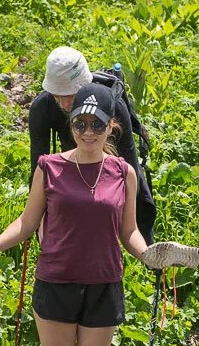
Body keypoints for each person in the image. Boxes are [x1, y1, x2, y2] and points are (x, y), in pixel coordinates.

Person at [0, 82, 151, 346]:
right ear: (71, 123)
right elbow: (27, 224)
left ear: (111, 126)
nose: (88, 131)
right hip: (56, 282)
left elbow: (128, 231)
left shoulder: (124, 173)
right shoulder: (49, 166)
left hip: (104, 283)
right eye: (80, 122)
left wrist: (150, 255)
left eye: (96, 124)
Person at [28, 45, 156, 243]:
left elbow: (130, 168)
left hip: (107, 175)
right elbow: (37, 169)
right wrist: (39, 220)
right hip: (68, 172)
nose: (62, 104)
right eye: (57, 95)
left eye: (69, 96)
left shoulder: (113, 106)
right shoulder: (42, 107)